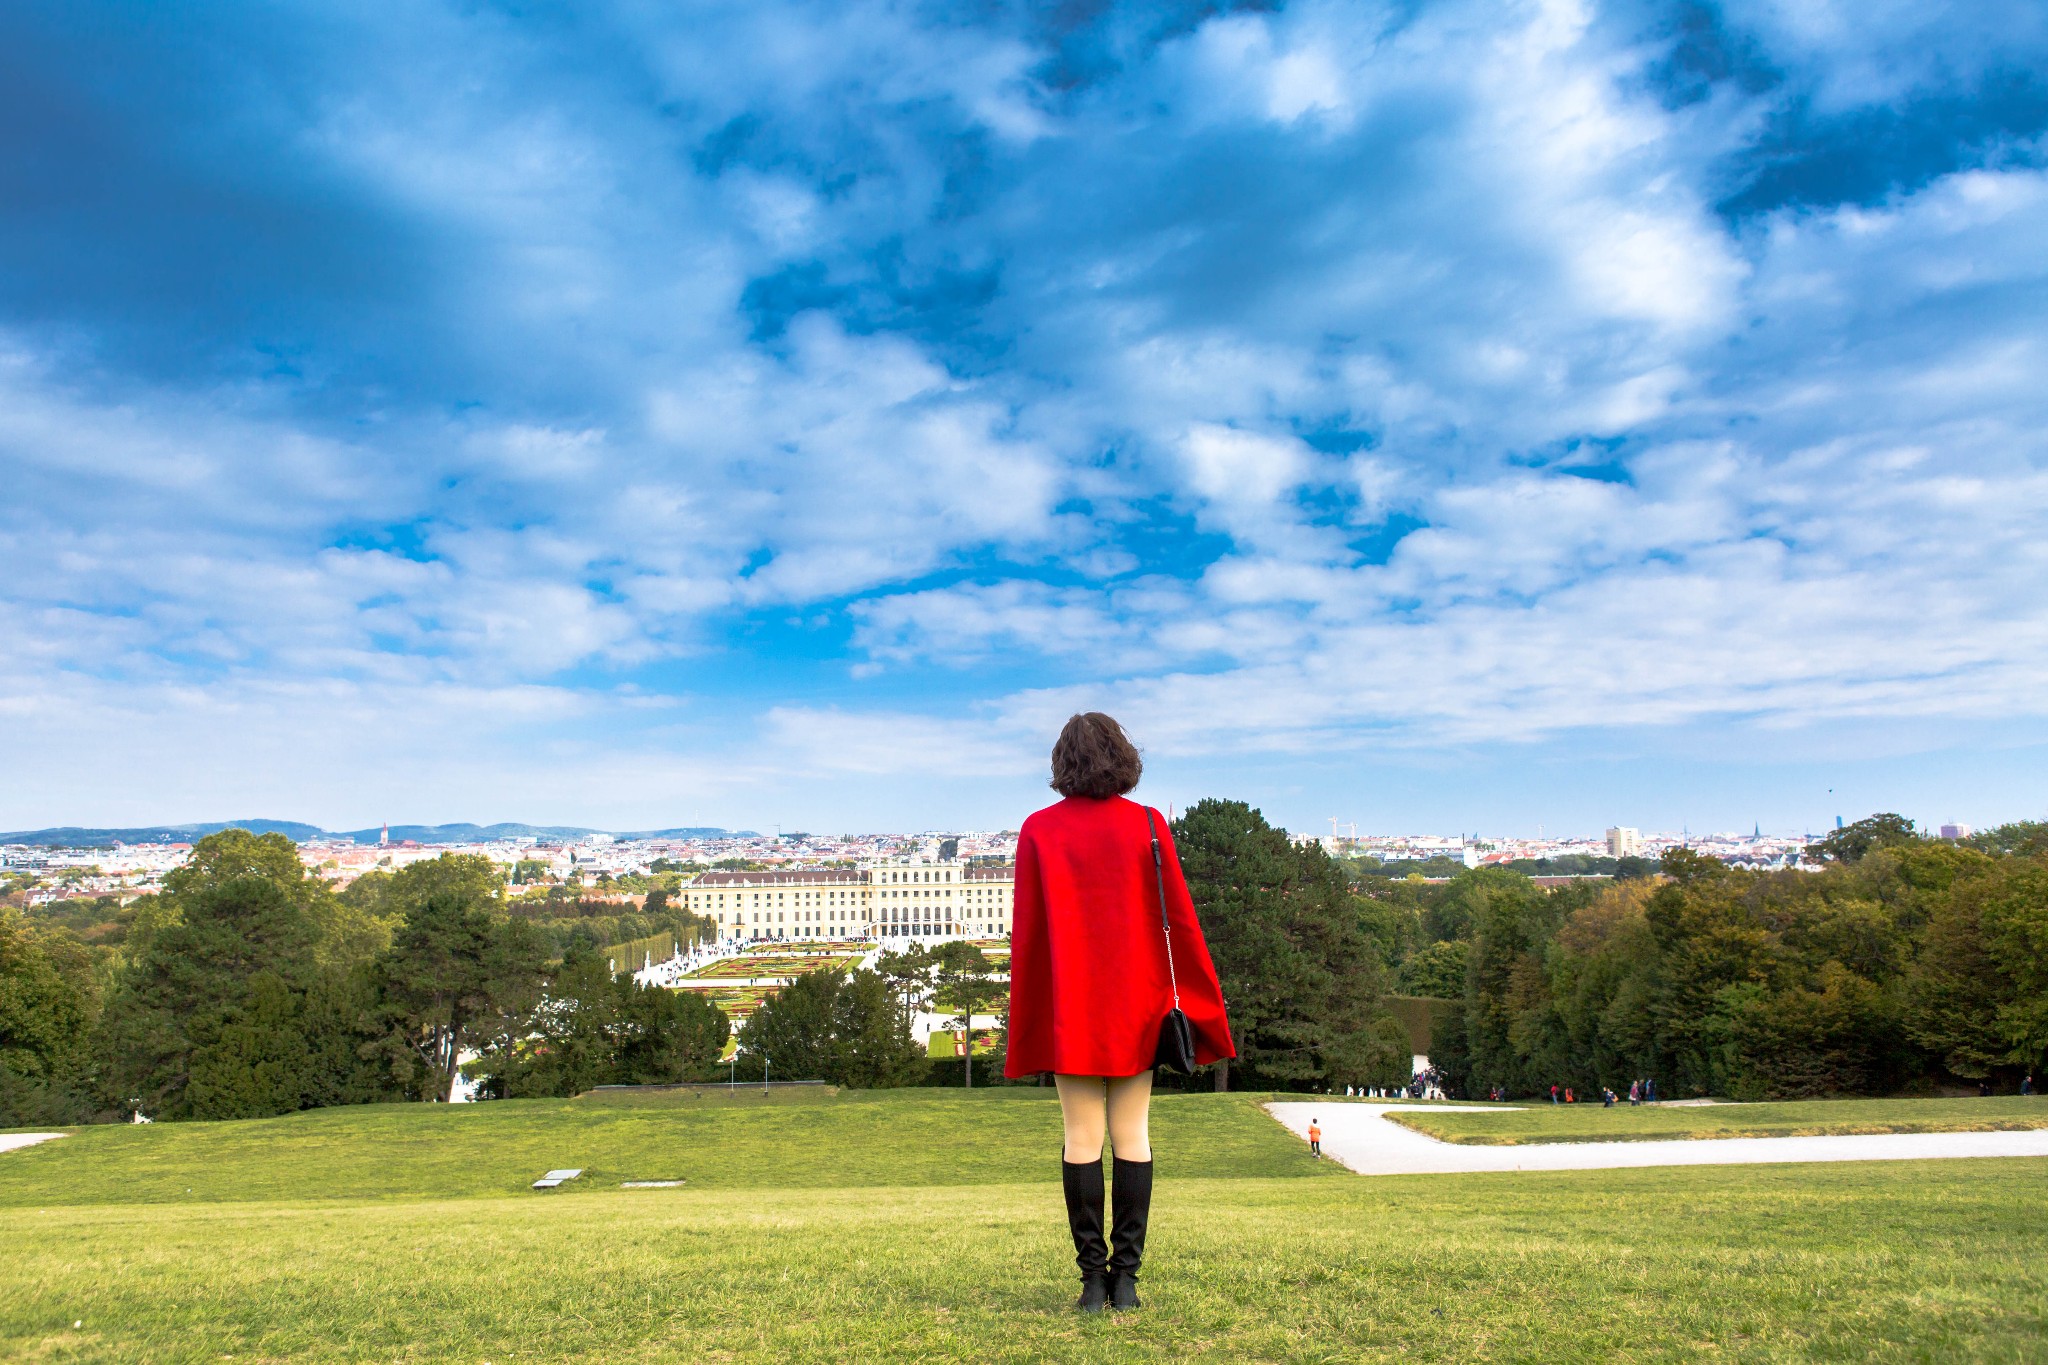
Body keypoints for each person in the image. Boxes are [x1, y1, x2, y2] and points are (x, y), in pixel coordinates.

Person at [1004, 712, 1236, 1314]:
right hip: (1136, 1001)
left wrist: (1032, 1016)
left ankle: (1090, 1281)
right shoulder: (1150, 824)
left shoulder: (1038, 830)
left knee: (1080, 1139)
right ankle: (1126, 1281)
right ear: (1124, 757)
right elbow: (1180, 922)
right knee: (1133, 1136)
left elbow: (1028, 938)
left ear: (1062, 763)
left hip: (1072, 1005)